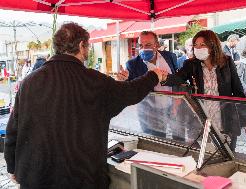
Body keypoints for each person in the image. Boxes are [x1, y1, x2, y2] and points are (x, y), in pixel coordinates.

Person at [4, 22, 164, 189]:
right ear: (81, 45)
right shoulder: (95, 81)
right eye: (87, 46)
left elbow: (13, 129)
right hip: (81, 178)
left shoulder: (29, 82)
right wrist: (153, 75)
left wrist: (11, 165)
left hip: (35, 177)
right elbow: (130, 92)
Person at [161, 30, 246, 151]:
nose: (198, 48)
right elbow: (178, 78)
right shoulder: (191, 64)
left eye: (202, 45)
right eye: (196, 45)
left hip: (225, 118)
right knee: (204, 154)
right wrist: (163, 78)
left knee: (227, 155)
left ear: (212, 45)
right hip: (202, 120)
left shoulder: (226, 62)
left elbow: (238, 91)